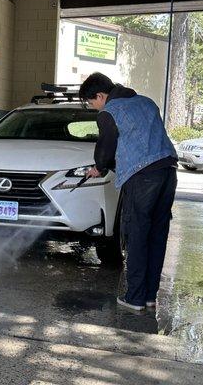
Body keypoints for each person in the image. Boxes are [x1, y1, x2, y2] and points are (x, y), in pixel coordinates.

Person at [78, 72, 178, 312]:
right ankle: (149, 297)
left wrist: (98, 167)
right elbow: (142, 139)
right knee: (156, 235)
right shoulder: (147, 102)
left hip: (143, 178)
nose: (93, 108)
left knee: (136, 235)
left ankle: (134, 298)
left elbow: (105, 149)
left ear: (101, 96)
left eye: (92, 103)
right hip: (168, 172)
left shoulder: (109, 112)